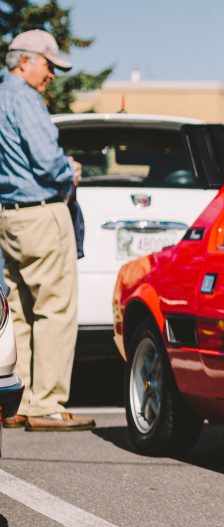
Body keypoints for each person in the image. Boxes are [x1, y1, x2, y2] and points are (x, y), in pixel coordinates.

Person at [0, 30, 94, 431]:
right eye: (48, 64)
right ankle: (46, 405)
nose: (52, 74)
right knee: (55, 310)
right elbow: (45, 159)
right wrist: (67, 170)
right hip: (41, 213)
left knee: (18, 309)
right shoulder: (24, 98)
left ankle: (15, 400)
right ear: (24, 62)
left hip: (7, 217)